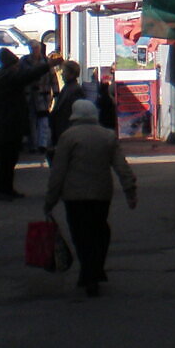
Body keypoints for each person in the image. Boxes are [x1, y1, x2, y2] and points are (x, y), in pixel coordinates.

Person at [44, 99, 137, 297]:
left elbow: (58, 172)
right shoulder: (107, 136)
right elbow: (122, 166)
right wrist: (130, 190)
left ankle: (88, 271)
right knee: (99, 231)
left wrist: (50, 199)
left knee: (80, 235)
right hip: (101, 194)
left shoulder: (68, 137)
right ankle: (94, 269)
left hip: (74, 196)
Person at [0, 42, 50, 200]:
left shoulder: (0, 75)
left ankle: (6, 189)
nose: (18, 67)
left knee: (8, 159)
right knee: (6, 160)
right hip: (8, 125)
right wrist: (48, 65)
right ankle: (2, 191)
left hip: (6, 123)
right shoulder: (8, 76)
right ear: (11, 64)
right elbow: (27, 76)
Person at [47, 59, 84, 159]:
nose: (62, 74)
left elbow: (72, 112)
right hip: (61, 131)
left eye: (64, 72)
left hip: (67, 131)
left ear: (71, 74)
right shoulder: (68, 88)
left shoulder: (74, 90)